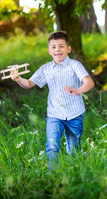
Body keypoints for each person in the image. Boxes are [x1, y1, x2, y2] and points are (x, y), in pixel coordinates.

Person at [11, 31, 94, 170]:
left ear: (68, 48)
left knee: (73, 150)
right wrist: (18, 79)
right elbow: (29, 84)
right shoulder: (46, 69)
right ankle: (54, 174)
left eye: (61, 46)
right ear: (49, 51)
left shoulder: (75, 65)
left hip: (75, 113)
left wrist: (78, 90)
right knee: (52, 146)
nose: (58, 50)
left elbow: (89, 82)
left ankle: (75, 172)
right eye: (54, 47)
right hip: (55, 114)